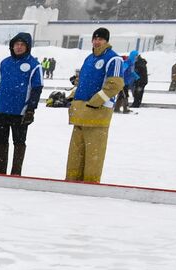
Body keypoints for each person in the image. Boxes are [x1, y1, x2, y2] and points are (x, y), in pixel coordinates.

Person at [66, 27, 124, 183]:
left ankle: (91, 183)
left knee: (94, 153)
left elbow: (115, 84)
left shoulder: (113, 59)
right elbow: (82, 82)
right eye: (95, 38)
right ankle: (72, 180)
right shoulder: (89, 58)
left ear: (107, 41)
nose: (97, 41)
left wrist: (95, 103)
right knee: (76, 153)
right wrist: (73, 97)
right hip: (80, 112)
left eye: (101, 39)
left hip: (97, 114)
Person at [0, 32, 42, 176]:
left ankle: (16, 173)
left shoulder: (34, 65)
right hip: (2, 110)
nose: (18, 47)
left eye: (22, 44)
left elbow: (37, 89)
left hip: (20, 112)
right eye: (16, 44)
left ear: (28, 47)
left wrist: (31, 109)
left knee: (18, 142)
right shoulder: (5, 63)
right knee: (0, 140)